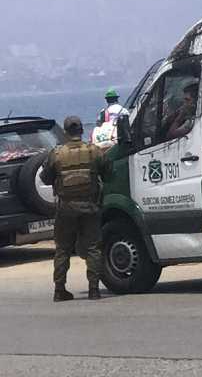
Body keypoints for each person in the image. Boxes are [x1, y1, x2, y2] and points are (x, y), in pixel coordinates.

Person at [39, 116, 107, 301]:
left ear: (66, 132)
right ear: (82, 131)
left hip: (66, 208)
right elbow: (108, 171)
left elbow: (45, 178)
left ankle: (59, 290)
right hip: (90, 206)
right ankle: (94, 289)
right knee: (93, 247)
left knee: (63, 249)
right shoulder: (94, 151)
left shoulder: (57, 154)